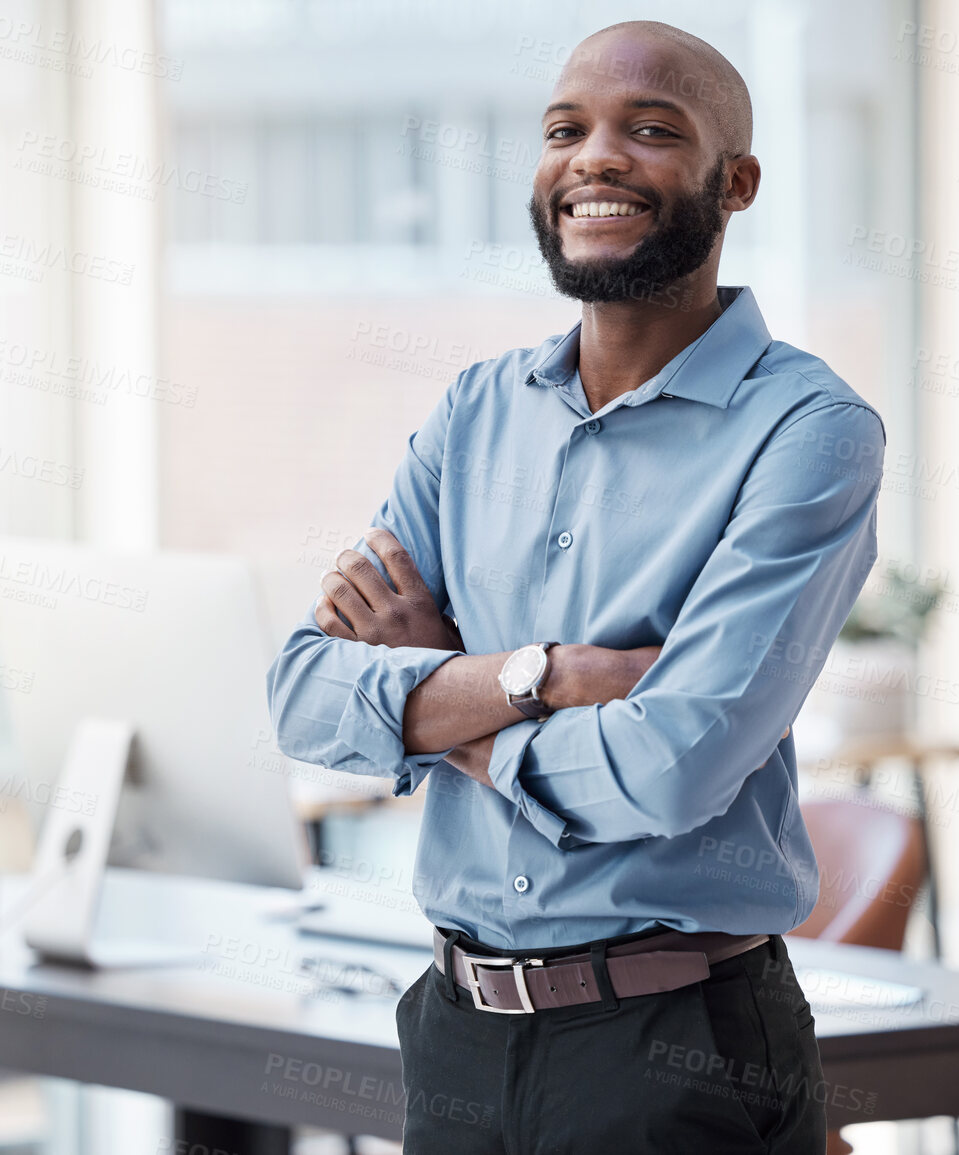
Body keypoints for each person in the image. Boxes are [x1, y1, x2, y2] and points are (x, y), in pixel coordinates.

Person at [267, 19, 884, 1153]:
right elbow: (305, 695)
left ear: (733, 182)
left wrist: (445, 698)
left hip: (674, 1050)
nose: (595, 156)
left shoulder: (808, 433)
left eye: (651, 130)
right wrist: (550, 677)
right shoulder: (474, 411)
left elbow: (673, 766)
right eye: (566, 129)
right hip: (456, 1030)